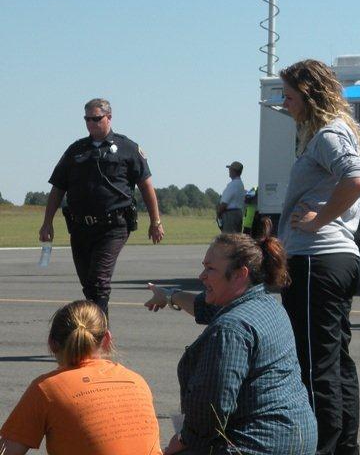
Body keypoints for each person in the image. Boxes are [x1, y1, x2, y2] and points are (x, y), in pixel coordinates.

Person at [145, 221, 316, 455]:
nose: (201, 276)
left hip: (259, 445)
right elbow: (202, 307)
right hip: (297, 439)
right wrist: (168, 295)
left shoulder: (230, 329)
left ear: (239, 275)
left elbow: (211, 411)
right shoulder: (265, 304)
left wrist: (182, 440)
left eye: (210, 269)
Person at [277, 59, 360, 455]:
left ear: (310, 95)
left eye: (290, 95)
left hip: (318, 257)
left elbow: (356, 178)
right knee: (335, 361)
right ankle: (344, 445)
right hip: (333, 256)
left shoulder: (328, 135)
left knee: (315, 363)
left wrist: (317, 219)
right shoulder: (331, 132)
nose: (285, 103)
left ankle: (322, 447)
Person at [39, 98, 164, 316]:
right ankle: (99, 331)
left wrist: (156, 221)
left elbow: (147, 187)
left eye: (96, 118)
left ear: (109, 118)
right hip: (80, 228)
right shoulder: (76, 150)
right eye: (87, 119)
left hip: (113, 227)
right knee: (89, 285)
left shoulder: (128, 148)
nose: (91, 123)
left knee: (98, 281)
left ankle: (99, 337)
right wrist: (47, 222)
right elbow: (58, 188)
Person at [0, 300, 161, 455]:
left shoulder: (47, 388)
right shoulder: (136, 381)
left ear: (52, 343)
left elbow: (8, 451)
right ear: (106, 340)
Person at [217, 161, 246, 233]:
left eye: (230, 169)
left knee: (228, 239)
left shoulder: (232, 185)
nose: (229, 171)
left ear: (234, 171)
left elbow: (224, 203)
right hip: (238, 213)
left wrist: (218, 213)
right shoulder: (240, 184)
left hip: (230, 215)